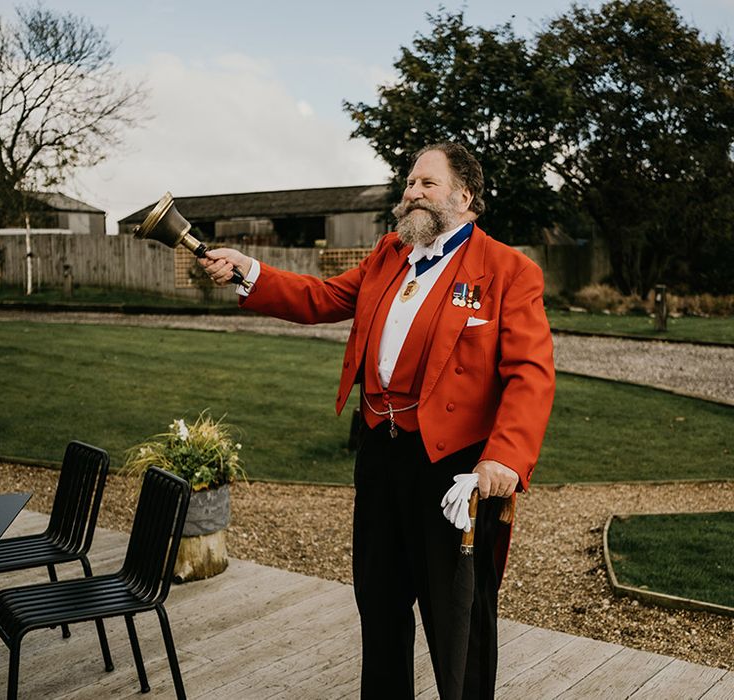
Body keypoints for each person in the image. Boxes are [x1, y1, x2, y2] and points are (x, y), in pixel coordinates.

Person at [201, 142, 555, 699]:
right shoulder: (389, 255)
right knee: (381, 602)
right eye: (409, 183)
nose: (411, 192)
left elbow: (530, 374)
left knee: (459, 618)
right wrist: (250, 270)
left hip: (455, 470)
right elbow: (319, 297)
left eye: (426, 184)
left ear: (464, 196)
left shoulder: (508, 271)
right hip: (381, 459)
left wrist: (504, 458)